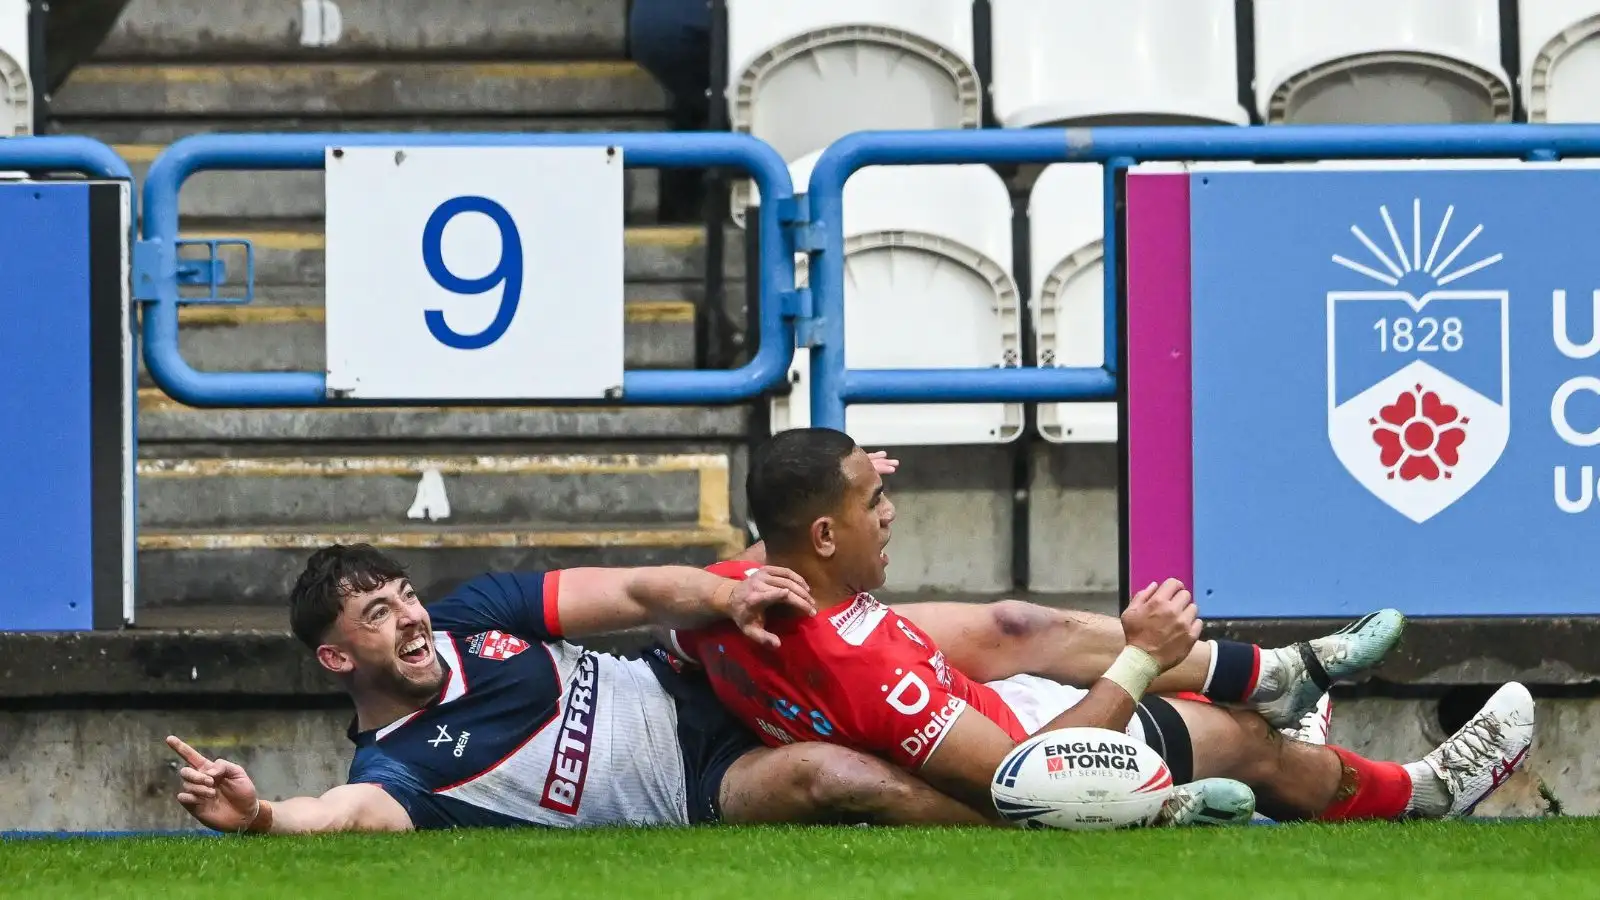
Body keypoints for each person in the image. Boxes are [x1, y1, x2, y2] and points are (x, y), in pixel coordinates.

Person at [669, 427, 1537, 825]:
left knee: (1013, 622)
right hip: (1043, 747)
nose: (891, 511)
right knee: (1239, 745)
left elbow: (680, 613)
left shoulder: (733, 591)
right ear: (823, 536)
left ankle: (1280, 675)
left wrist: (835, 477)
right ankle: (1419, 793)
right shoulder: (874, 674)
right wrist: (1136, 660)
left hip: (988, 697)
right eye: (875, 500)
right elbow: (1021, 781)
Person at [166, 548, 991, 834]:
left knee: (760, 572)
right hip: (698, 787)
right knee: (834, 778)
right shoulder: (398, 772)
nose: (411, 619)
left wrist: (727, 598)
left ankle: (1088, 662)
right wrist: (261, 816)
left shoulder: (475, 610)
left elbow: (634, 595)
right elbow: (334, 815)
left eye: (406, 595)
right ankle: (1005, 824)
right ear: (337, 659)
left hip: (687, 680)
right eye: (378, 616)